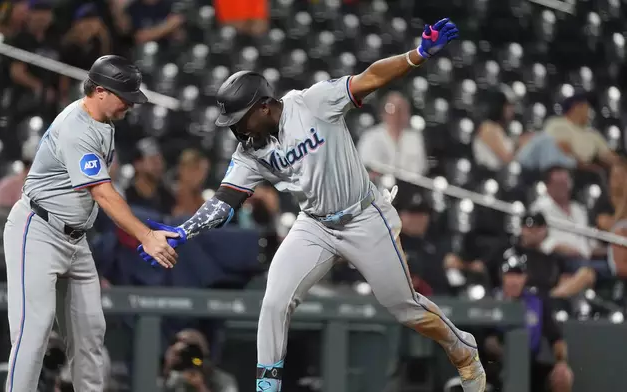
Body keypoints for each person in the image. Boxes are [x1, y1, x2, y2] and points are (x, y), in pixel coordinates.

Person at [137, 19, 486, 392]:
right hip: (315, 225)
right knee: (274, 301)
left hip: (364, 217)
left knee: (404, 307)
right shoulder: (250, 151)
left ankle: (463, 351)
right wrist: (184, 230)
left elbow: (370, 78)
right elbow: (225, 201)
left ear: (266, 106)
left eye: (241, 120)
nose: (237, 130)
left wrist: (417, 56)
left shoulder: (313, 102)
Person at [2, 55, 179, 392]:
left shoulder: (105, 123)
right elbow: (103, 192)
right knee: (33, 332)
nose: (130, 104)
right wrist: (146, 235)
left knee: (90, 334)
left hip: (74, 239)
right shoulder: (76, 127)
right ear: (100, 91)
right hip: (37, 230)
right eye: (124, 96)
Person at [483, 253, 574, 392]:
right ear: (502, 276)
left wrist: (561, 362)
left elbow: (556, 338)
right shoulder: (490, 301)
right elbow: (484, 340)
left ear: (525, 277)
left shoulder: (536, 302)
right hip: (496, 365)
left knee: (562, 376)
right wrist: (505, 354)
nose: (514, 281)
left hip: (529, 364)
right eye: (510, 275)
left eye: (518, 275)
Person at [357, 91, 427, 181]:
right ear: (384, 112)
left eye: (402, 110)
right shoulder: (371, 137)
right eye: (394, 110)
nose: (398, 115)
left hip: (408, 188)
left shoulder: (415, 138)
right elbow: (367, 168)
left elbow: (419, 169)